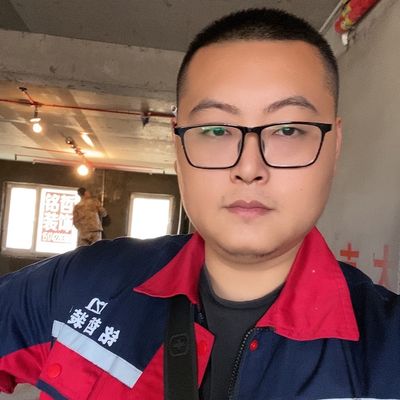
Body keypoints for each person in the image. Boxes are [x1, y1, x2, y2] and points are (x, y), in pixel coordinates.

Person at [1, 8, 400, 400]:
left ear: (334, 146)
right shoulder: (84, 282)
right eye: (216, 130)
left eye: (288, 129)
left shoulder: (387, 350)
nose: (249, 168)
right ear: (177, 146)